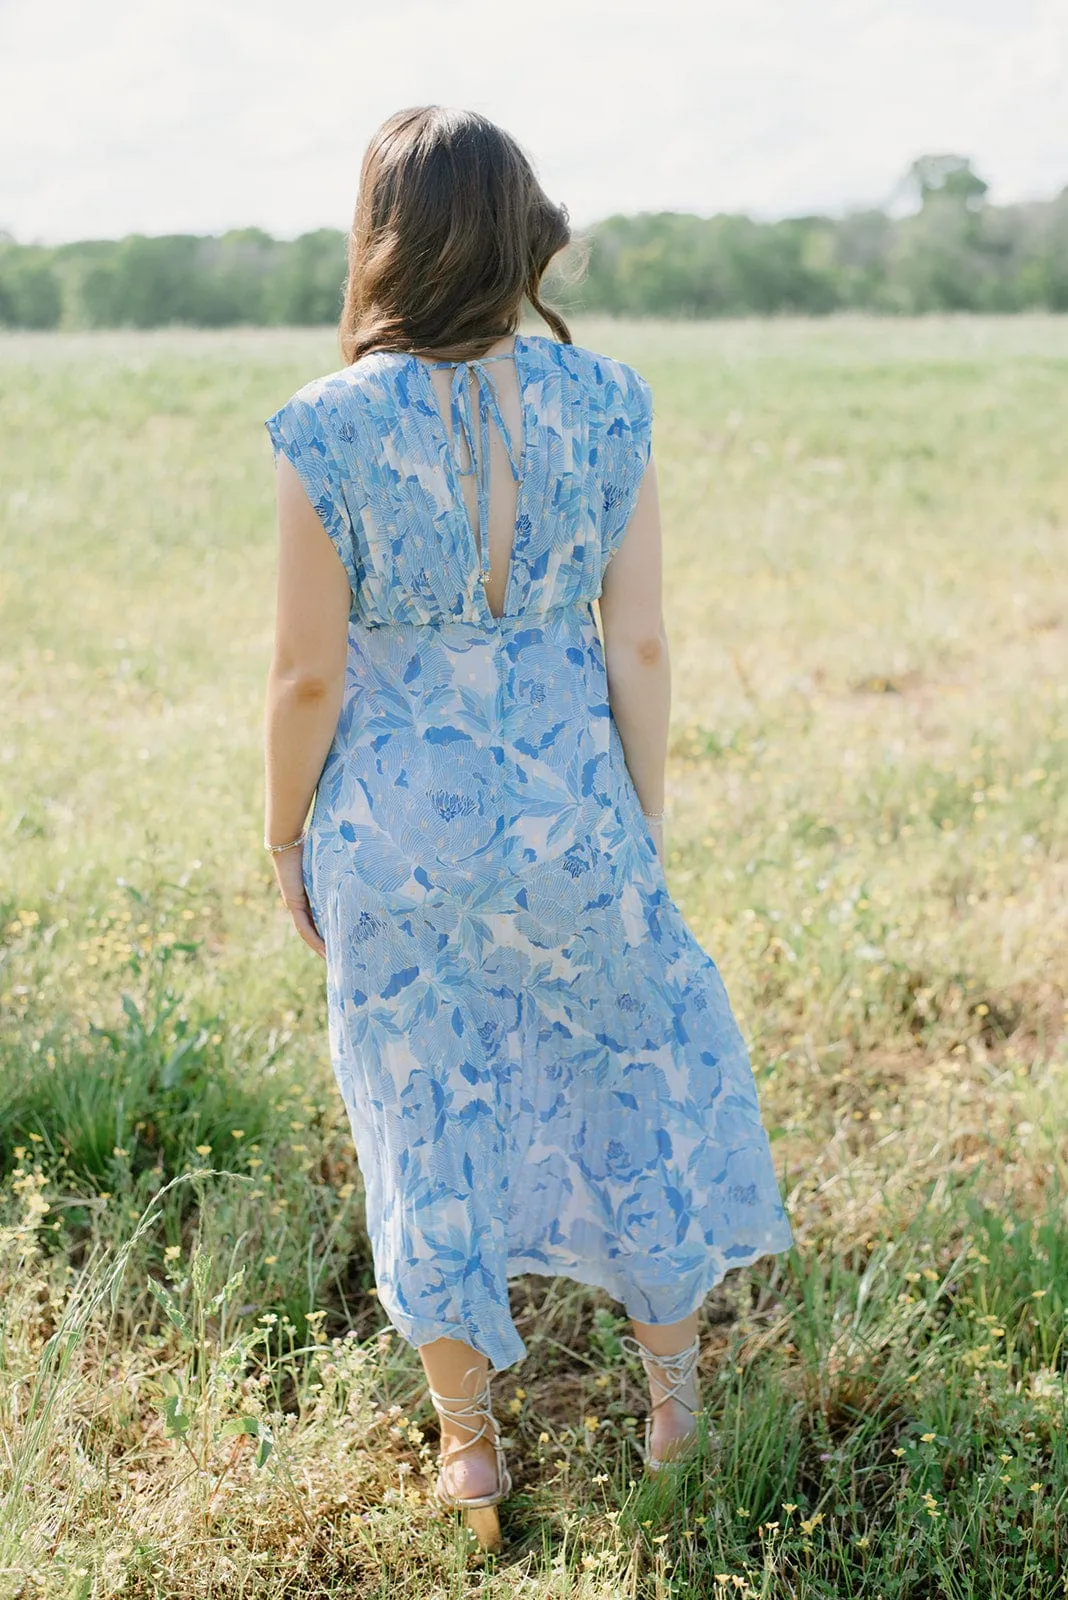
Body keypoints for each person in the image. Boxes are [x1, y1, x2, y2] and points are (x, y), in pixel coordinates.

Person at [262, 105, 793, 1550]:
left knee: (421, 1107)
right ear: (522, 231)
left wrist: (281, 835)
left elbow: (308, 672)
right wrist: (645, 815)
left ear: (384, 238)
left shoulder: (326, 424)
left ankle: (470, 1450)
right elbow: (644, 649)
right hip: (576, 811)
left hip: (396, 831)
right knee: (634, 1072)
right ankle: (673, 1405)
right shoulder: (608, 402)